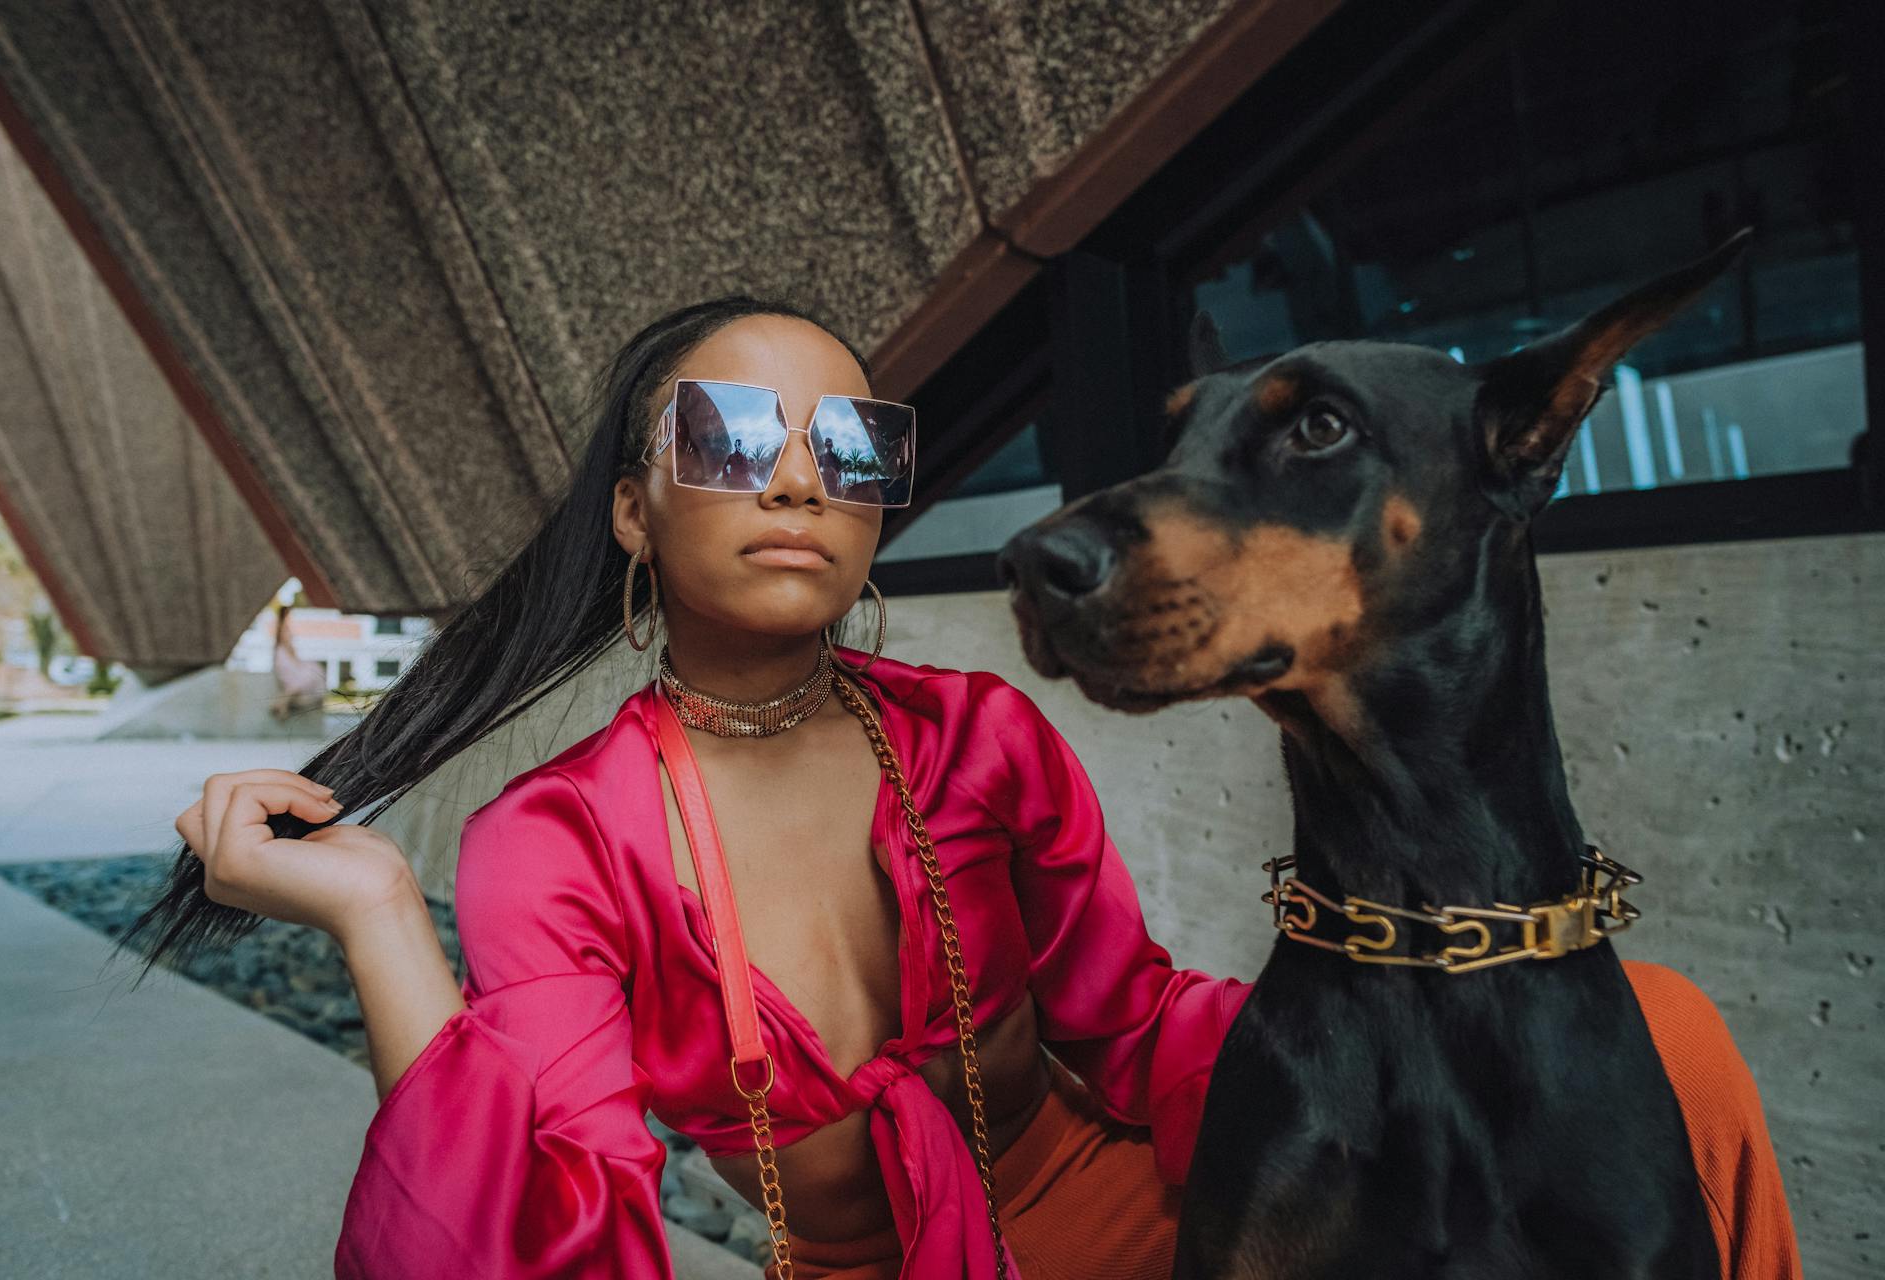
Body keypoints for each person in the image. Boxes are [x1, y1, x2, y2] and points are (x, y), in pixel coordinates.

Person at [126, 297, 1794, 1280]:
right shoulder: (553, 837)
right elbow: (531, 1208)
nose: (794, 478)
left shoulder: (978, 737)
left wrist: (1422, 1068)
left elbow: (1132, 1024)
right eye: (724, 439)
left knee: (1658, 1040)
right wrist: (369, 916)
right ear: (635, 512)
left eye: (847, 449)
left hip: (1130, 1212)